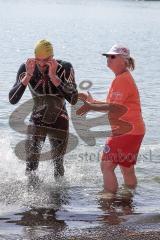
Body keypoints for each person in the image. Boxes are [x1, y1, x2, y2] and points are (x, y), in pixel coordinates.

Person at [77, 44, 145, 193]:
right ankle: (129, 200)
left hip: (125, 131)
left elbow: (114, 107)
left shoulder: (122, 80)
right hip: (135, 130)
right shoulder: (122, 78)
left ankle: (108, 202)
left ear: (124, 60)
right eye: (107, 56)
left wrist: (90, 107)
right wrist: (93, 101)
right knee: (127, 168)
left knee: (106, 165)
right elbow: (113, 104)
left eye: (113, 56)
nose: (109, 59)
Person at [9, 39, 78, 178]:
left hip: (60, 118)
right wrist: (28, 76)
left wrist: (54, 77)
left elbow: (73, 99)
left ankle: (59, 198)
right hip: (37, 118)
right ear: (34, 57)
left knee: (58, 165)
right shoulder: (26, 68)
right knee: (31, 165)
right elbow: (12, 99)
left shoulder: (64, 68)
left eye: (45, 60)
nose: (41, 64)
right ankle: (31, 196)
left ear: (52, 57)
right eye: (38, 60)